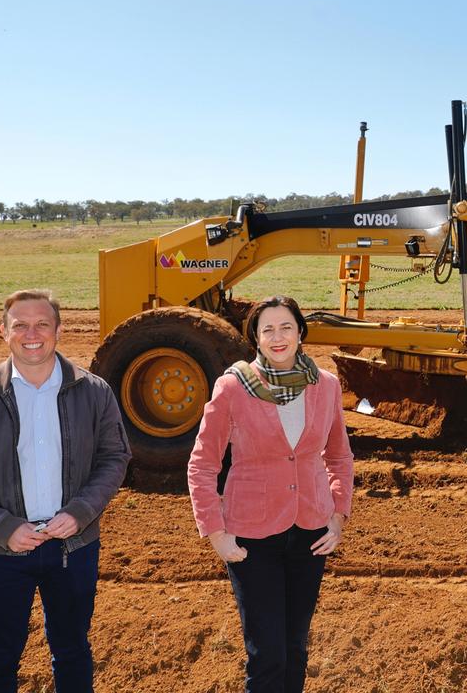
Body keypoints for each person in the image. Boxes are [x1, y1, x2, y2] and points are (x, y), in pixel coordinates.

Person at [0, 289, 131, 693]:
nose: (33, 333)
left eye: (42, 324)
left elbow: (114, 459)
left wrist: (80, 513)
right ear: (3, 332)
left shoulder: (94, 392)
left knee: (73, 652)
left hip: (73, 549)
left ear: (59, 330)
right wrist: (3, 526)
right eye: (20, 325)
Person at [187, 296, 354, 693]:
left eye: (285, 328)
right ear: (256, 339)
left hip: (310, 532)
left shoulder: (325, 385)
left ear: (300, 333)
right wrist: (215, 532)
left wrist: (338, 515)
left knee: (295, 650)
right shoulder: (233, 387)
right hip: (252, 539)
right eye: (268, 330)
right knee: (267, 656)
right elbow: (202, 464)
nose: (277, 337)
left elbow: (339, 456)